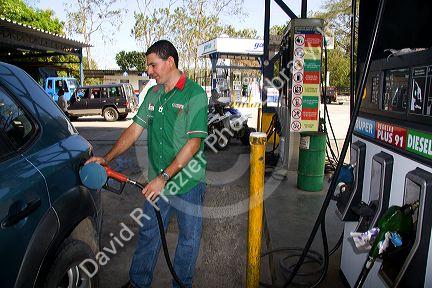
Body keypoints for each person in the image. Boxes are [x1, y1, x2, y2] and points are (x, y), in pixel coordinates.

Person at [86, 40, 208, 288]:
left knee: (188, 239)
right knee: (149, 232)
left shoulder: (194, 94)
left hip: (188, 182)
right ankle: (138, 282)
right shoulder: (153, 95)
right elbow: (133, 130)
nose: (149, 71)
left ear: (170, 61)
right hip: (157, 181)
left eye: (153, 65)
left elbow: (194, 143)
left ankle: (181, 284)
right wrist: (107, 158)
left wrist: (164, 177)